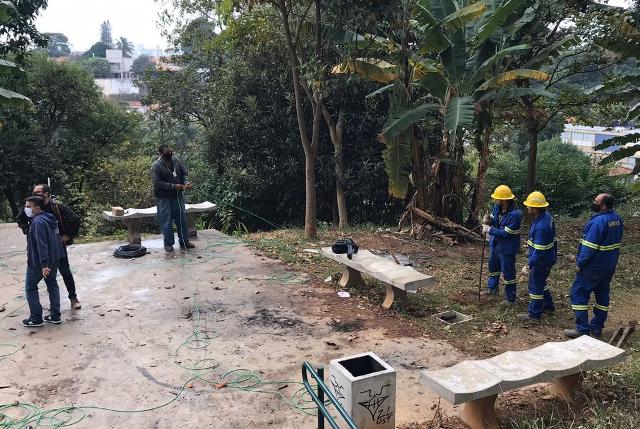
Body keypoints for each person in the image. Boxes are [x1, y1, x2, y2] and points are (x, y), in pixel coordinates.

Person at [564, 193, 624, 338]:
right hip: (609, 265)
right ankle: (596, 328)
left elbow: (589, 247)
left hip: (593, 266)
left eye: (596, 201)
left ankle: (582, 329)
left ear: (603, 205)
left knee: (578, 293)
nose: (593, 203)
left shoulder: (598, 223)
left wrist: (580, 263)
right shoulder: (617, 219)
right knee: (602, 294)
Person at [16, 184, 82, 309]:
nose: (34, 194)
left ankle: (73, 298)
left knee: (65, 272)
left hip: (57, 248)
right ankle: (54, 308)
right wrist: (29, 231)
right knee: (48, 279)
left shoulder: (56, 207)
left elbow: (75, 220)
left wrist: (67, 236)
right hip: (39, 250)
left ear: (46, 193)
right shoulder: (31, 206)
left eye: (38, 192)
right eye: (34, 191)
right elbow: (20, 219)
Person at [21, 196, 65, 327]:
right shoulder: (49, 218)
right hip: (54, 258)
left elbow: (42, 245)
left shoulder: (38, 223)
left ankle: (35, 318)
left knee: (30, 288)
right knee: (52, 285)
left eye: (29, 206)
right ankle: (55, 315)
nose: (26, 209)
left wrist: (44, 265)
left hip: (40, 263)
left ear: (37, 207)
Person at [517, 191, 557, 322]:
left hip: (541, 261)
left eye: (529, 206)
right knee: (541, 282)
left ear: (534, 209)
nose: (527, 208)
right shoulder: (547, 217)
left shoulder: (541, 226)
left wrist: (529, 264)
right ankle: (548, 305)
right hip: (548, 258)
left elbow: (539, 250)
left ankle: (534, 314)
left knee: (534, 286)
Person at [482, 185, 523, 305]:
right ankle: (492, 288)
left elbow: (507, 233)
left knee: (508, 271)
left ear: (504, 200)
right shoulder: (497, 207)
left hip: (507, 247)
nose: (495, 201)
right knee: (493, 267)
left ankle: (510, 298)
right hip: (495, 243)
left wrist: (490, 230)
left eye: (497, 198)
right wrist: (488, 220)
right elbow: (495, 221)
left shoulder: (516, 215)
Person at [151, 144, 194, 252]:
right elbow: (157, 183)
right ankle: (168, 244)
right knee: (166, 222)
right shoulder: (156, 166)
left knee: (182, 220)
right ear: (160, 154)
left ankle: (184, 242)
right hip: (164, 198)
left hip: (178, 197)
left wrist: (186, 182)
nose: (169, 154)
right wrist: (174, 186)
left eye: (171, 152)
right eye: (166, 153)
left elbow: (183, 174)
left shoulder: (176, 161)